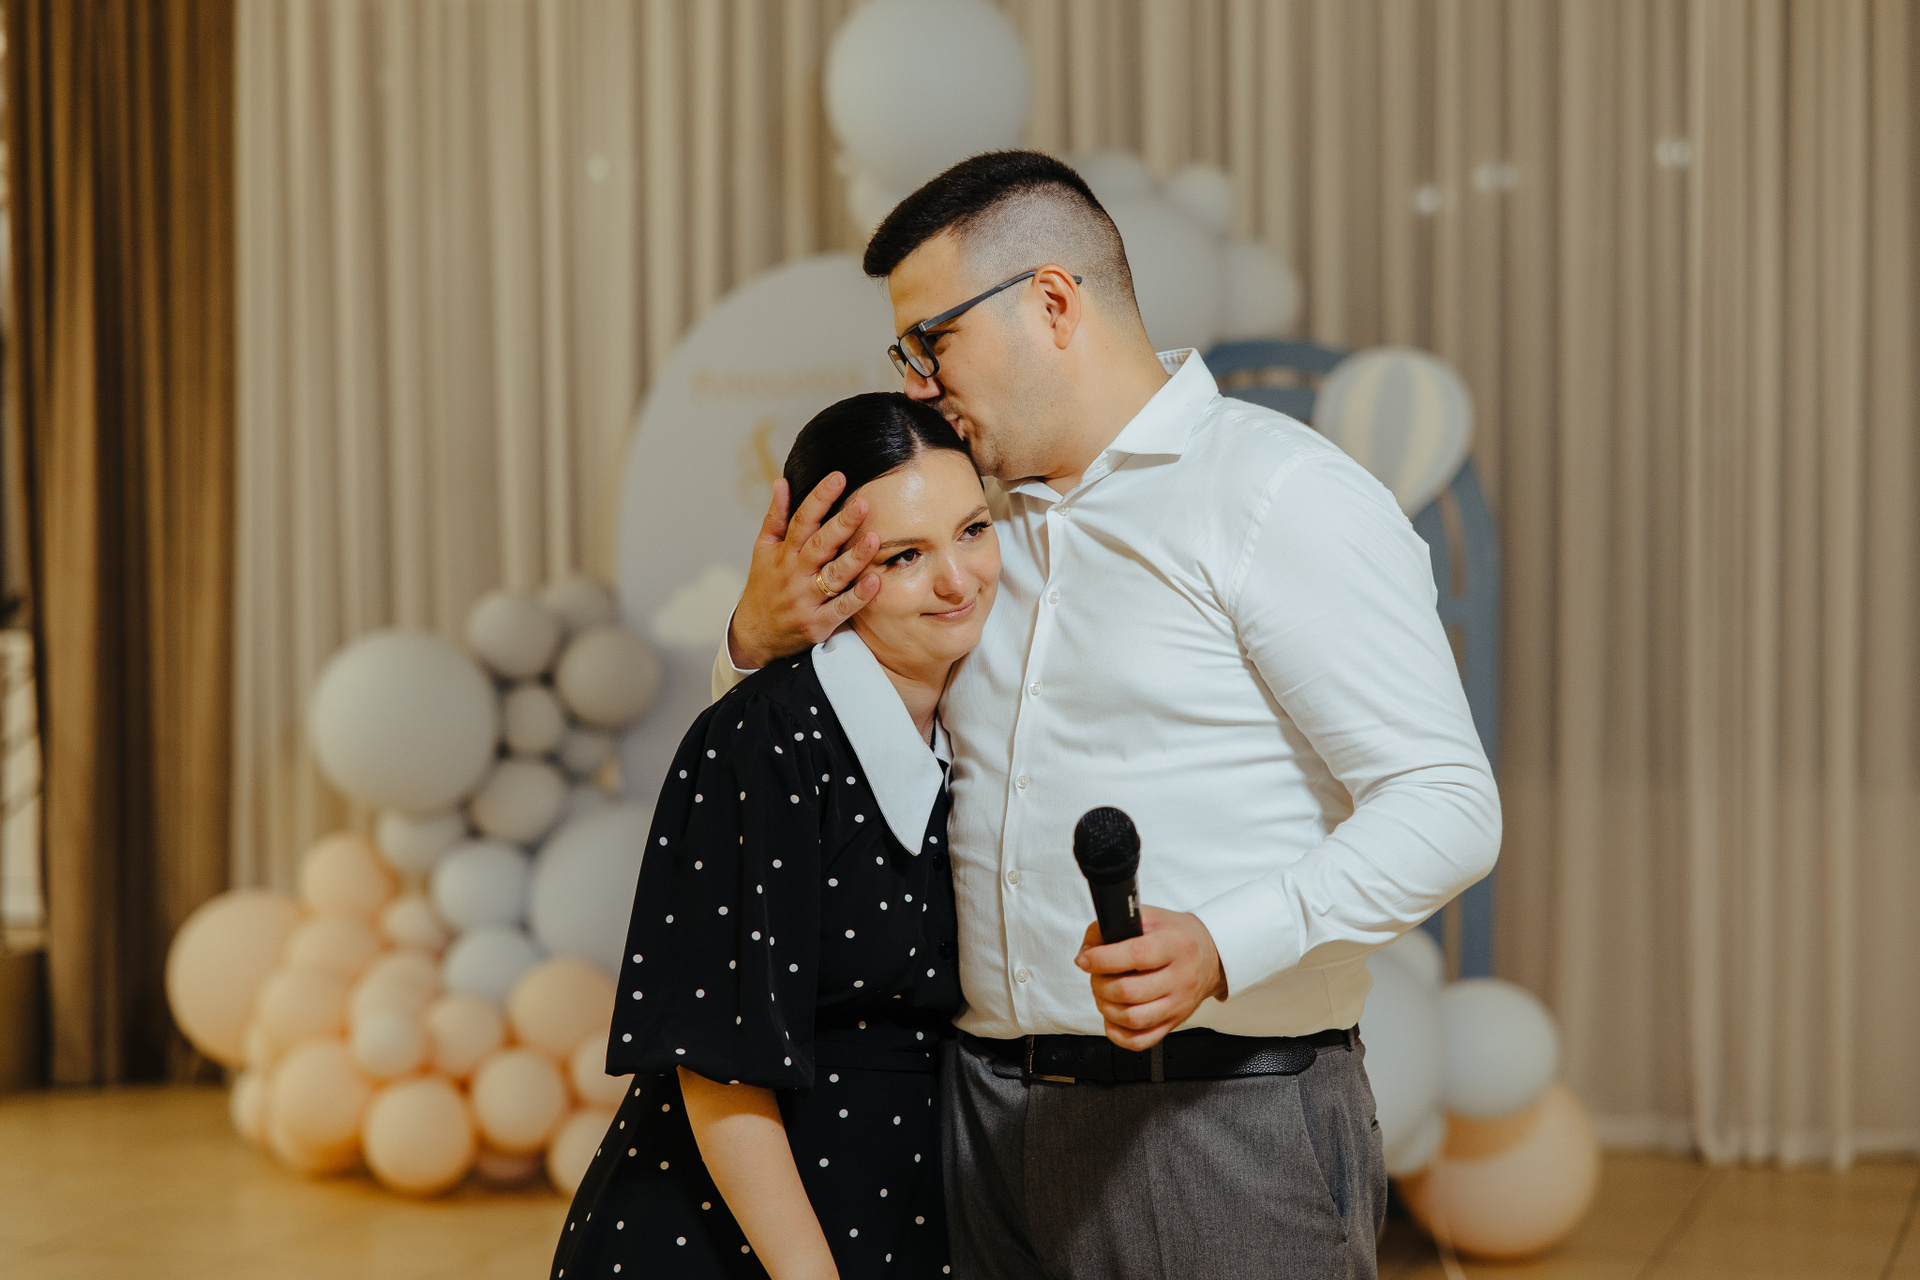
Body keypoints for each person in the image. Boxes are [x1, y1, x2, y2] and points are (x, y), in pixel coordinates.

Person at [716, 151, 1502, 1280]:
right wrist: (754, 642)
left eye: (932, 341)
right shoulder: (968, 534)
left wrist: (1223, 944)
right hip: (982, 1121)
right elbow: (819, 770)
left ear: (1051, 302)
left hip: (1218, 1116)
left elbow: (1448, 803)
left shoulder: (1279, 493)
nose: (920, 384)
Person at [552, 391, 1000, 1280]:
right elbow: (717, 1062)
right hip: (737, 1241)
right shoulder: (765, 739)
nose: (958, 580)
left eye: (974, 530)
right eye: (906, 556)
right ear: (827, 567)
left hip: (894, 1218)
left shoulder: (969, 733)